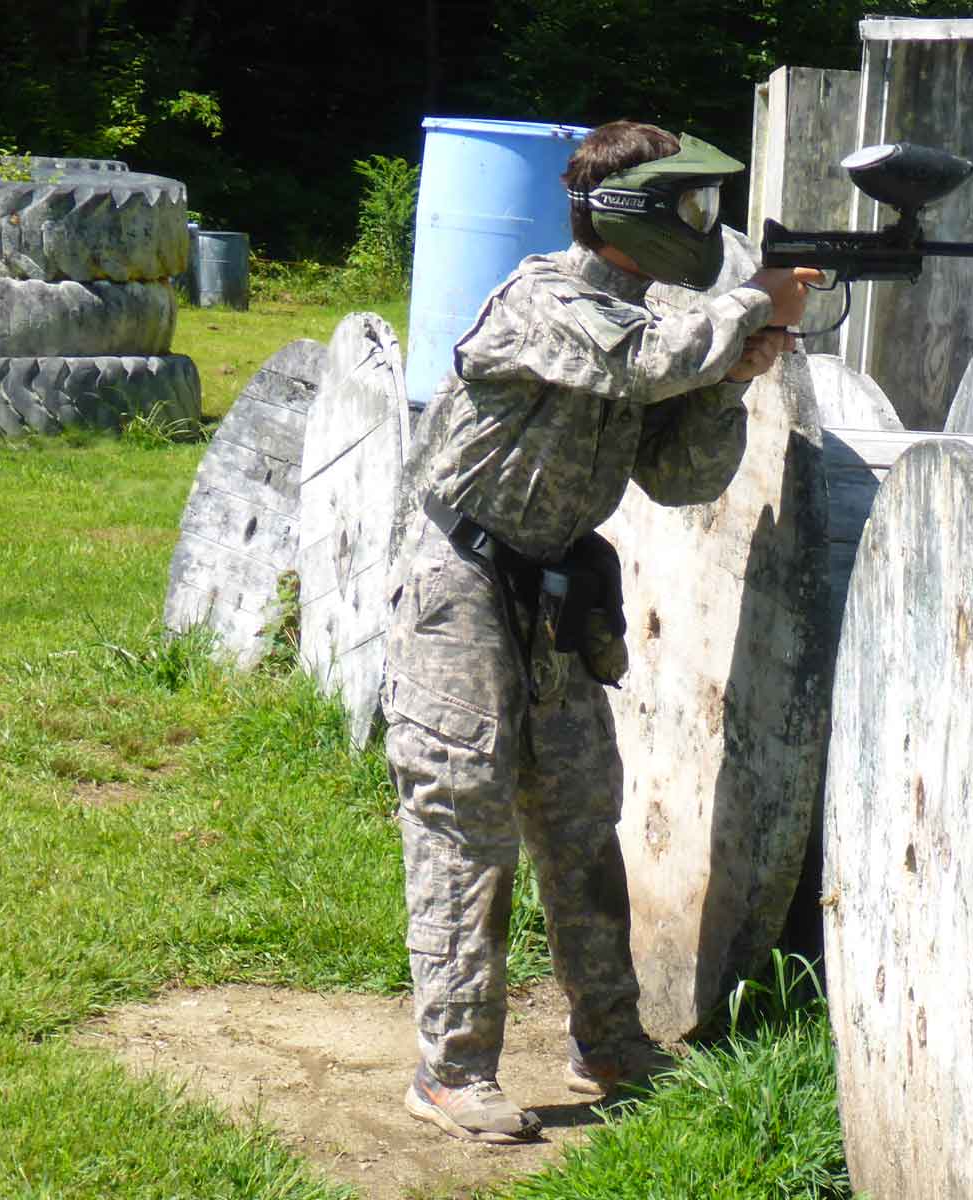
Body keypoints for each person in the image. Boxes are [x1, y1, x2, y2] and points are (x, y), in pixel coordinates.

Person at [384, 119, 818, 1144]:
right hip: (458, 580)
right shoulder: (547, 299)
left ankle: (610, 1042)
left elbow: (680, 477)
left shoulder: (654, 320)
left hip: (553, 589)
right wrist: (750, 307)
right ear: (628, 212)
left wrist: (735, 375)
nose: (700, 226)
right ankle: (453, 1071)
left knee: (582, 816)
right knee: (466, 816)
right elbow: (643, 359)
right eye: (687, 206)